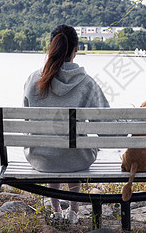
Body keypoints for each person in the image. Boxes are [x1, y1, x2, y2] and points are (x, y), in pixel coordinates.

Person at [23, 24, 109, 224]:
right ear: (76, 49)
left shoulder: (33, 79)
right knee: (74, 147)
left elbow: (27, 120)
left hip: (41, 158)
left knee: (52, 147)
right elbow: (106, 123)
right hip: (78, 159)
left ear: (52, 46)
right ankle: (73, 211)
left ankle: (55, 210)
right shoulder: (86, 82)